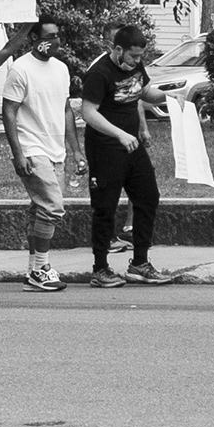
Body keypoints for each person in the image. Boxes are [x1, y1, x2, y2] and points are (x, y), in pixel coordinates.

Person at [0, 24, 77, 294]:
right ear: (35, 39)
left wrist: (76, 151)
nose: (56, 40)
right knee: (52, 207)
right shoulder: (21, 69)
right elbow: (9, 111)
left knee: (39, 210)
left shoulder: (61, 69)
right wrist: (18, 153)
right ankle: (41, 268)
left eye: (58, 35)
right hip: (31, 147)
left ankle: (32, 269)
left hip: (55, 149)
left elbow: (66, 109)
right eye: (50, 37)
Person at [77, 18, 166, 286]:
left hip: (132, 146)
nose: (137, 60)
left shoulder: (136, 67)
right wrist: (119, 133)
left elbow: (145, 92)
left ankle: (140, 262)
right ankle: (100, 268)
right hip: (105, 146)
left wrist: (170, 97)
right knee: (106, 206)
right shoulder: (99, 72)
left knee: (148, 196)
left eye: (140, 56)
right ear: (117, 49)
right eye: (133, 55)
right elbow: (88, 112)